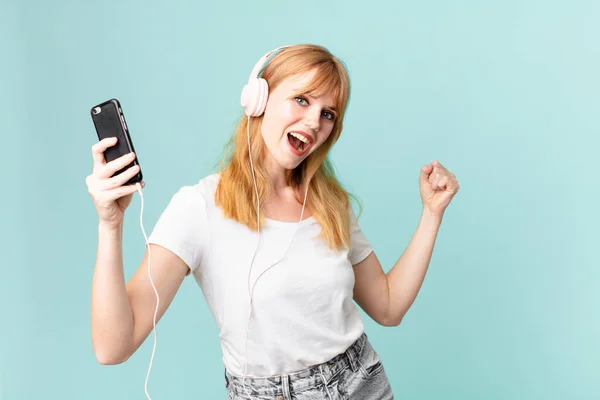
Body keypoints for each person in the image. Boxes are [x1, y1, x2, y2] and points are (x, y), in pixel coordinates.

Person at [86, 44, 460, 399]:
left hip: (361, 384)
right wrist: (110, 225)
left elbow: (388, 307)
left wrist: (432, 213)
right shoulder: (199, 207)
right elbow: (112, 347)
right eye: (302, 99)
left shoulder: (331, 205)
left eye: (328, 113)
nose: (314, 121)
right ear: (258, 99)